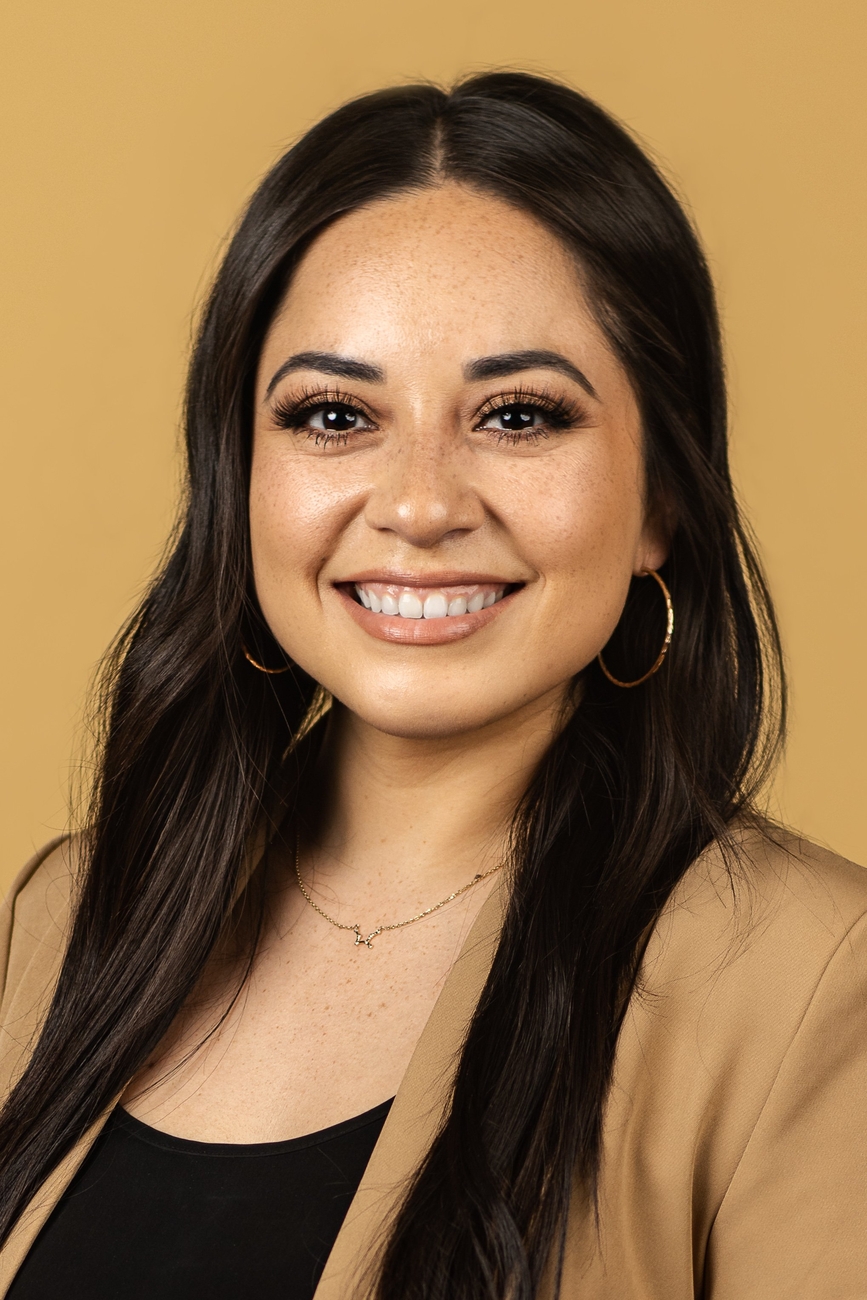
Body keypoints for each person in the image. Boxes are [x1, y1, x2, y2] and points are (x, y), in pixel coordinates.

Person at [1, 71, 865, 1300]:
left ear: (662, 498)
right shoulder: (61, 917)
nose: (418, 505)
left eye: (518, 416)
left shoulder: (812, 981)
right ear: (239, 478)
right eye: (332, 415)